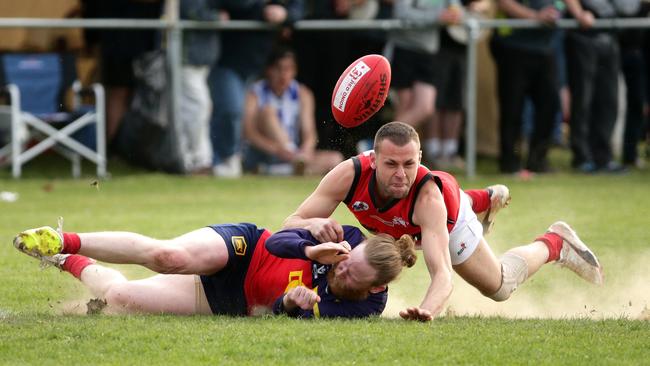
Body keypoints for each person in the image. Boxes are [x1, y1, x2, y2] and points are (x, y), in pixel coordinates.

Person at [283, 121, 604, 321]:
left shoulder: (428, 201)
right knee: (391, 239)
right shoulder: (349, 174)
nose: (400, 173)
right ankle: (482, 198)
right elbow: (290, 223)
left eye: (409, 164)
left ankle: (555, 242)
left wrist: (426, 309)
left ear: (420, 159)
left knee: (500, 287)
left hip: (445, 220)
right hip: (400, 227)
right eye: (391, 164)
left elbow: (442, 275)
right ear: (373, 159)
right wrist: (311, 225)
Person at [13, 220, 416, 318]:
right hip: (244, 249)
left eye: (349, 279)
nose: (341, 272)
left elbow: (279, 311)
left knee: (120, 297)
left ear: (372, 290)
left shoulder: (362, 308)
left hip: (228, 299)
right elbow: (277, 240)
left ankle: (66, 260)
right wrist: (312, 248)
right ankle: (64, 239)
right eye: (346, 265)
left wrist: (290, 305)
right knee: (168, 257)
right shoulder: (347, 240)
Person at [490, 0, 593, 174]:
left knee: (550, 105)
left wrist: (580, 14)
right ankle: (510, 163)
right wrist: (536, 17)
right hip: (513, 46)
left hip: (546, 48)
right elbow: (503, 3)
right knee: (512, 108)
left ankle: (537, 161)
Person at [210, 0, 304, 178]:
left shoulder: (301, 92)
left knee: (239, 114)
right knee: (231, 111)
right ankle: (224, 159)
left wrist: (284, 15)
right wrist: (262, 9)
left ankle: (257, 164)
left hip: (257, 65)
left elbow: (298, 10)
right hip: (229, 62)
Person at [241, 47, 343, 175]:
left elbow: (309, 133)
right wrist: (277, 149)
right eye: (279, 69)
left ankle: (276, 171)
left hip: (293, 155)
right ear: (269, 70)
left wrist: (305, 151)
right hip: (265, 152)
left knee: (335, 160)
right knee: (268, 112)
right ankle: (291, 165)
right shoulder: (255, 93)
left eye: (288, 69)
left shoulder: (303, 94)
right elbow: (249, 133)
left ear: (294, 71)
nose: (283, 75)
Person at [177, 0, 223, 174]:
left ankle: (197, 159)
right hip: (187, 59)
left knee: (200, 108)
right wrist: (216, 17)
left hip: (200, 60)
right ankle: (196, 160)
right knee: (197, 107)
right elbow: (192, 11)